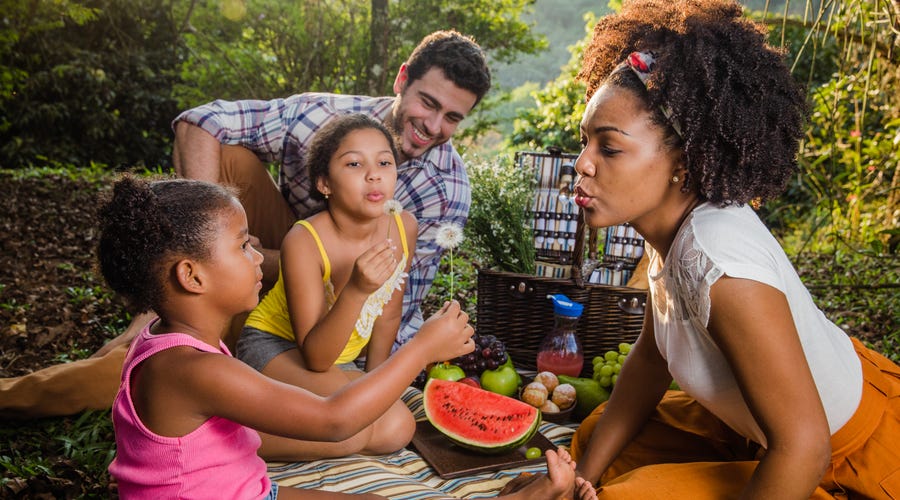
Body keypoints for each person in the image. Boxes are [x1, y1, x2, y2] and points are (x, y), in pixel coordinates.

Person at [0, 29, 491, 419]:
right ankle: (171, 305)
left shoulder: (445, 193)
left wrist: (374, 378)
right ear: (402, 79)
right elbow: (199, 122)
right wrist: (213, 256)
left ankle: (179, 334)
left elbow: (392, 307)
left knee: (371, 415)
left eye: (452, 117)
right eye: (428, 103)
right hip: (269, 260)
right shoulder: (321, 116)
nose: (433, 126)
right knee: (228, 155)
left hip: (330, 305)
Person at [567, 0, 900, 498]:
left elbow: (805, 450)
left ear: (683, 163)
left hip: (841, 456)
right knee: (594, 440)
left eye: (608, 148)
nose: (582, 163)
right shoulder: (667, 236)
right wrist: (579, 480)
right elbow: (651, 362)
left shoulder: (720, 262)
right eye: (585, 141)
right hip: (756, 430)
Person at [100, 175, 590, 500]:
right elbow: (334, 421)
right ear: (192, 276)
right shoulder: (193, 369)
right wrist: (422, 347)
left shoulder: (172, 344)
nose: (259, 257)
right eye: (243, 245)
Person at [237, 113, 419, 459]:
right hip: (278, 347)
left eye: (384, 162)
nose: (374, 174)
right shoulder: (304, 240)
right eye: (354, 164)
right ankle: (224, 439)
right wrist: (357, 289)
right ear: (324, 184)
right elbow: (317, 358)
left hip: (341, 361)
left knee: (396, 427)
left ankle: (287, 423)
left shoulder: (403, 227)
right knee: (362, 427)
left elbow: (388, 314)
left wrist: (376, 383)